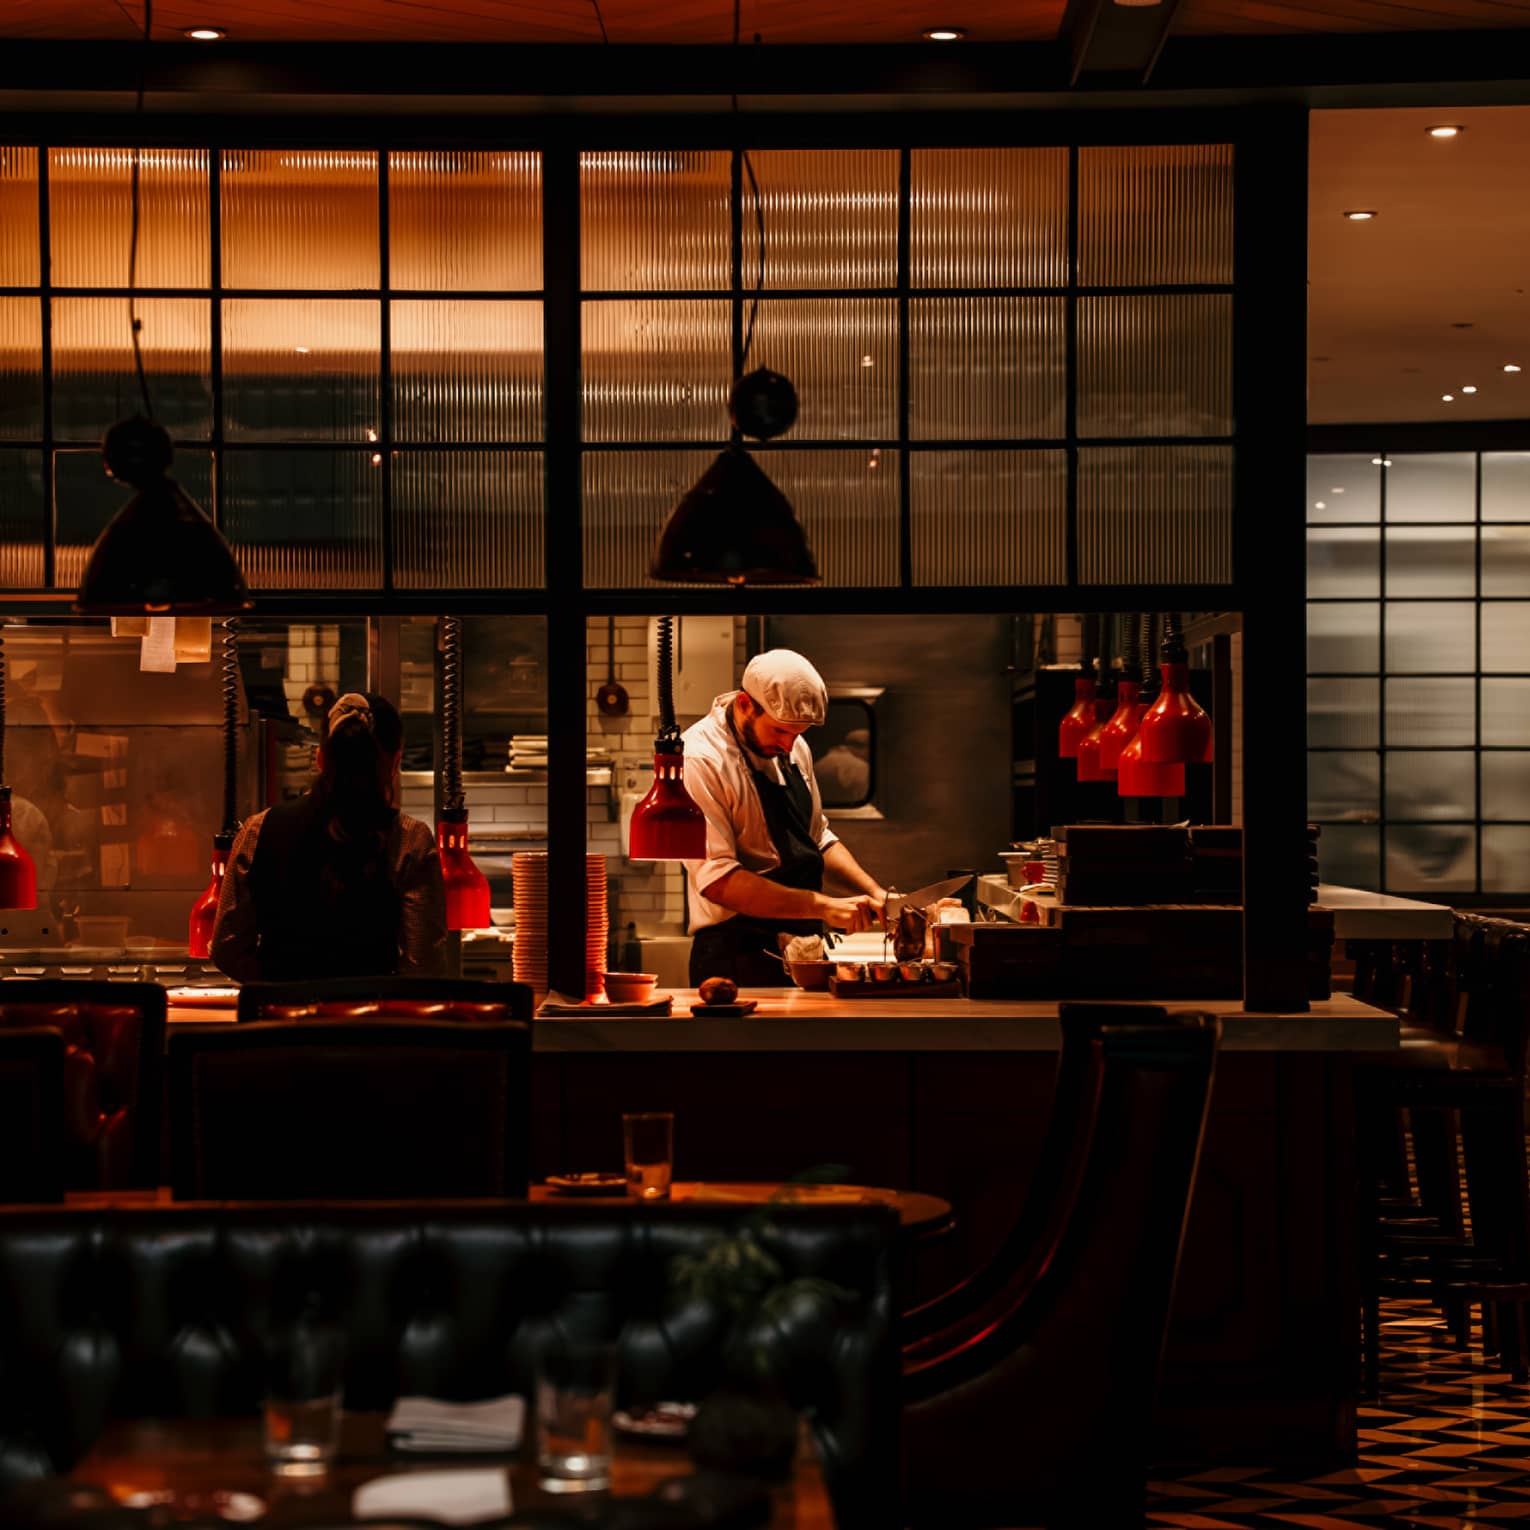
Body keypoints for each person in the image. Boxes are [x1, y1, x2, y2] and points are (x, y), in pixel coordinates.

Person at [680, 650, 886, 987]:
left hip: (802, 951)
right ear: (746, 704)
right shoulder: (701, 758)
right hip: (735, 957)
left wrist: (876, 894)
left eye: (797, 734)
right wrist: (823, 906)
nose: (789, 746)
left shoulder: (793, 746)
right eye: (779, 732)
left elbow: (818, 838)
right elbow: (717, 881)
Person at [212, 692, 446, 982]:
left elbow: (226, 949)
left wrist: (277, 989)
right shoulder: (410, 840)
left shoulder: (257, 831)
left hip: (281, 1022)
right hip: (373, 1019)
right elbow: (423, 965)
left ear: (320, 758)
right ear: (395, 761)